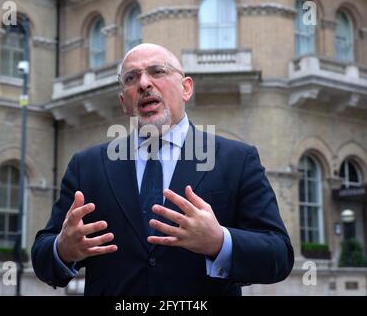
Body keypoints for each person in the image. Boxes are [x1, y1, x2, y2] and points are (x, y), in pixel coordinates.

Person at [31, 43, 294, 296]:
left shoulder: (237, 160)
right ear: (124, 102)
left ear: (186, 88)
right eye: (132, 78)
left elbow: (279, 256)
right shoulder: (87, 166)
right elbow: (43, 256)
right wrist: (63, 249)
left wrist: (219, 241)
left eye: (158, 71)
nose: (144, 83)